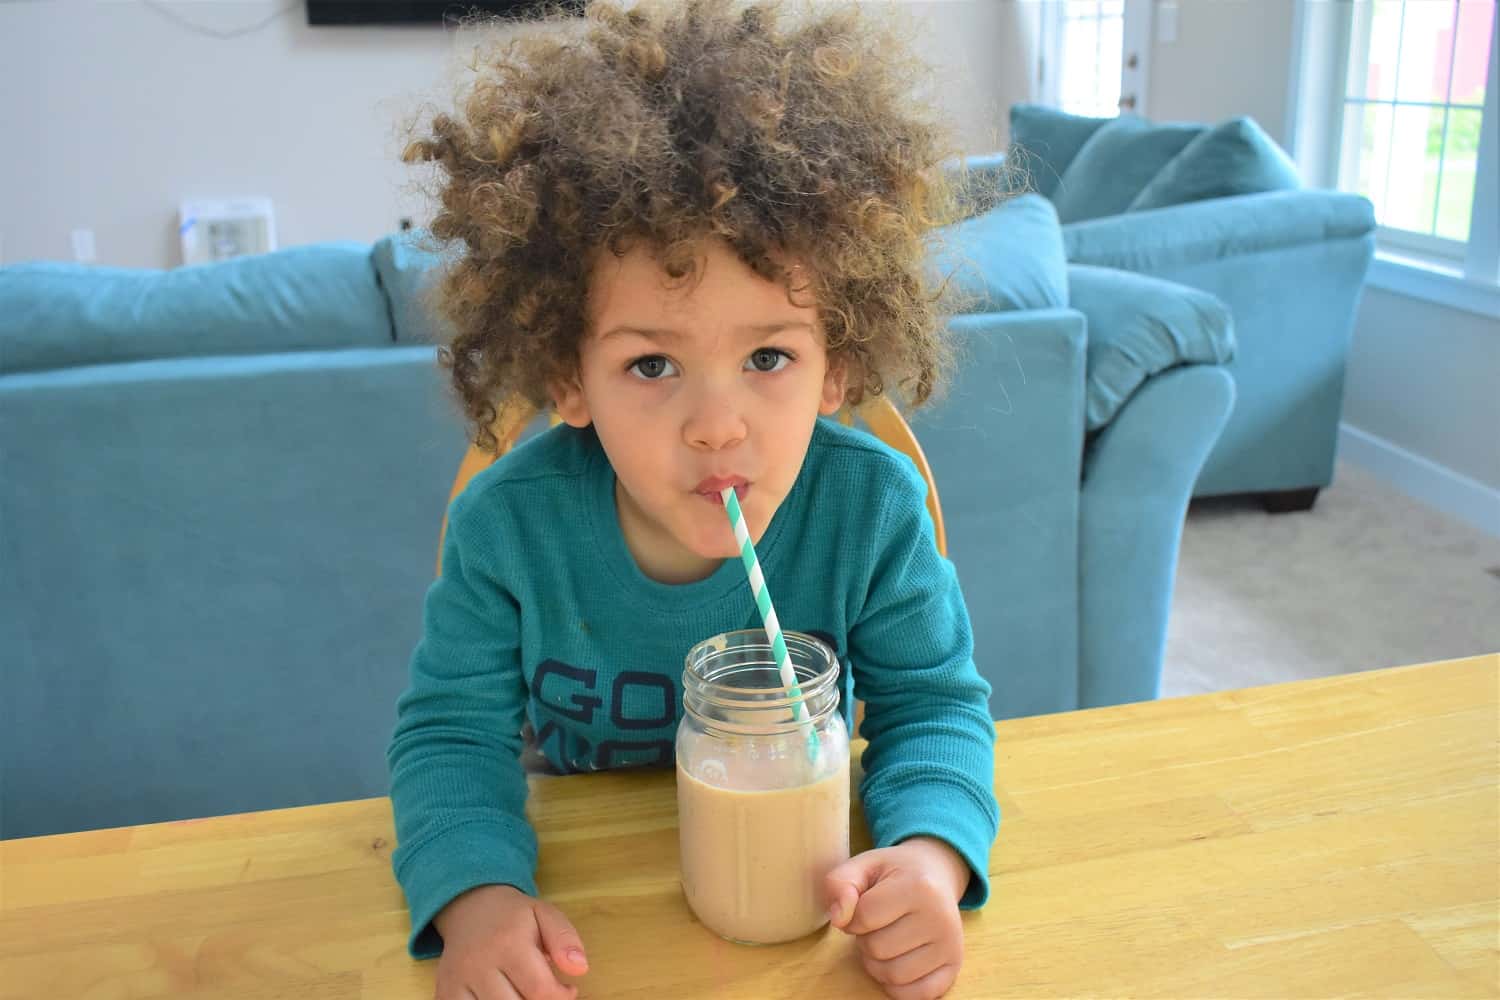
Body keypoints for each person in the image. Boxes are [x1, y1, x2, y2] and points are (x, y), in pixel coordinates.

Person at [387, 2, 1002, 997]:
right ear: (567, 376)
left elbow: (933, 707)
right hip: (600, 924)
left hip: (812, 926)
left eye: (768, 356)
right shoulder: (510, 529)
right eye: (651, 364)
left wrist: (931, 860)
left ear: (836, 364)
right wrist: (478, 895)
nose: (718, 425)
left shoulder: (868, 512)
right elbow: (450, 737)